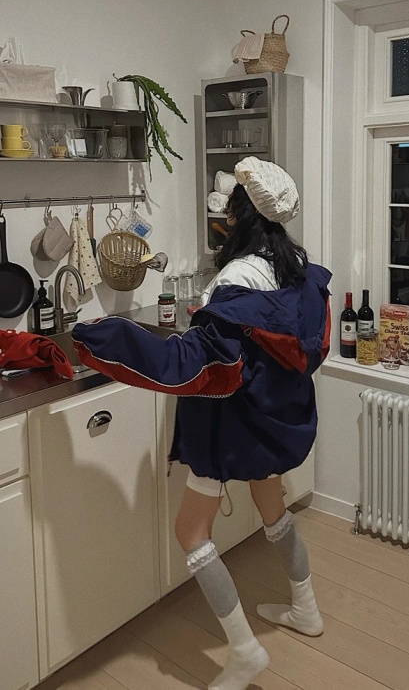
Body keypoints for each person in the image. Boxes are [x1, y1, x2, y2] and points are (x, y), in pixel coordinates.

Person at [72, 157, 332, 690]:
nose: (223, 218)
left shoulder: (236, 278)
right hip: (271, 415)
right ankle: (306, 608)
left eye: (228, 209)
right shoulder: (297, 265)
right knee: (273, 509)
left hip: (227, 422)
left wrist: (103, 333)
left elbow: (191, 363)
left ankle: (244, 651)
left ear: (240, 215)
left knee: (190, 532)